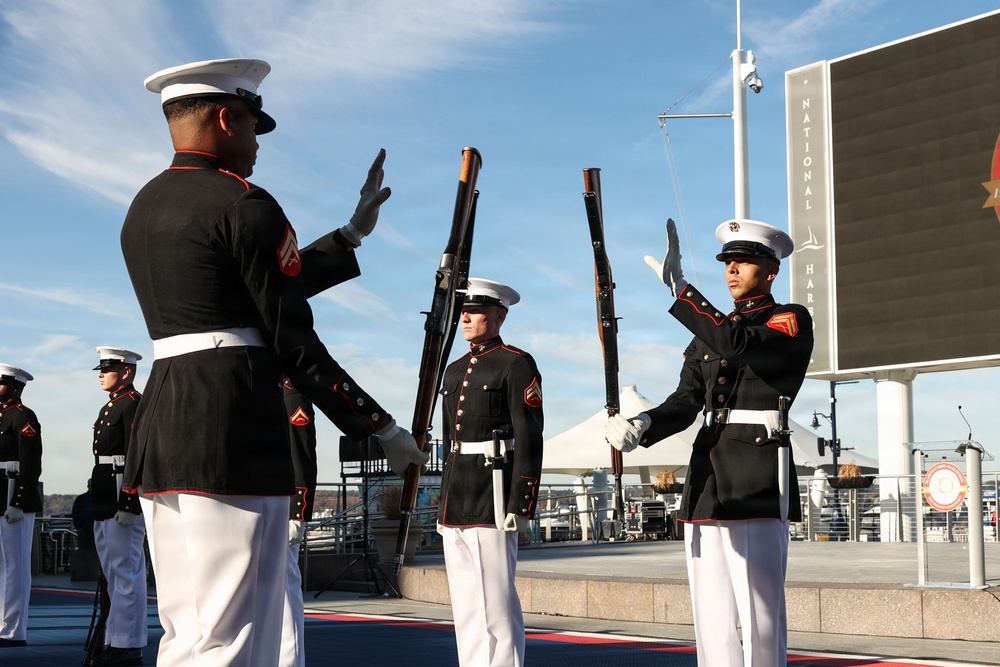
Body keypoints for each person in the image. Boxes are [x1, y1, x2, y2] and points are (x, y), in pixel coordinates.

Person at [119, 58, 427, 666]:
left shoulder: (144, 206)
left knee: (189, 634)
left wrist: (348, 236)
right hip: (232, 434)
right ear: (227, 117)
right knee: (237, 637)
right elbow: (291, 338)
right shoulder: (245, 202)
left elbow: (240, 293)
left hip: (164, 433)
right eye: (255, 127)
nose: (258, 145)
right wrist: (379, 426)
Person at [605, 219, 813, 667]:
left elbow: (737, 344)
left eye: (744, 261)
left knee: (761, 613)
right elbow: (685, 401)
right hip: (707, 478)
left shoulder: (789, 319)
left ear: (771, 270)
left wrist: (682, 290)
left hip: (757, 473)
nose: (732, 269)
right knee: (711, 610)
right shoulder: (711, 331)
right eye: (728, 262)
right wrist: (642, 425)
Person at [438, 278, 544, 667]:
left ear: (499, 315)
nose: (465, 317)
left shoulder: (516, 363)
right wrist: (442, 506)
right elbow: (450, 441)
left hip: (494, 490)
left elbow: (530, 436)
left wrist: (522, 499)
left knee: (496, 603)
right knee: (465, 604)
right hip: (458, 495)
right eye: (464, 311)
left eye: (475, 311)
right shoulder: (453, 370)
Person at [87, 347, 147, 666]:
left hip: (121, 491)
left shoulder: (133, 405)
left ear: (125, 372)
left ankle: (129, 642)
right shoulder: (110, 407)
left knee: (127, 570)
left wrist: (130, 500)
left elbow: (138, 455)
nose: (100, 373)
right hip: (104, 492)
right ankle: (113, 637)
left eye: (107, 368)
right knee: (112, 572)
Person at [0, 363, 42, 648]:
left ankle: (12, 630)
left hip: (12, 494)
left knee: (14, 566)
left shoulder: (23, 416)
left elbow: (30, 464)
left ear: (16, 387)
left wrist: (17, 501)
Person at [280, 378, 317, 667]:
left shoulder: (292, 394)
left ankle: (290, 660)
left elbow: (301, 453)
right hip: (260, 498)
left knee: (283, 587)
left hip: (282, 502)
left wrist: (298, 511)